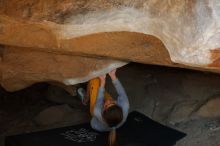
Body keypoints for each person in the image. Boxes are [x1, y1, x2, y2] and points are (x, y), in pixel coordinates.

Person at [77, 69, 129, 146]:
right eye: (112, 103)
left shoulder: (97, 111)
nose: (108, 102)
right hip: (114, 125)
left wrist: (102, 83)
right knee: (102, 91)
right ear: (119, 106)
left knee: (95, 81)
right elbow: (121, 92)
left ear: (103, 111)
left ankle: (86, 99)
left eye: (106, 105)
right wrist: (113, 76)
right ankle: (98, 94)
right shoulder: (125, 105)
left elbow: (100, 99)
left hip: (96, 125)